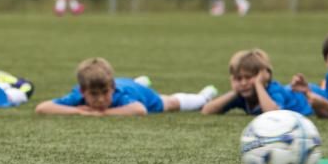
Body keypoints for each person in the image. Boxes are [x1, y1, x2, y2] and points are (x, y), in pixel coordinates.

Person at [34, 57, 217, 116]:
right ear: (83, 91)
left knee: (169, 102)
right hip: (127, 83)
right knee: (134, 85)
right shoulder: (77, 96)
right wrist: (80, 112)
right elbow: (41, 108)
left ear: (111, 88)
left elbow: (140, 109)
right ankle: (139, 80)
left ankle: (203, 97)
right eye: (93, 94)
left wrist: (102, 113)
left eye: (105, 93)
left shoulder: (119, 96)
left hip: (138, 93)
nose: (99, 99)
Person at [201, 49, 314, 116]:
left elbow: (273, 115)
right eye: (238, 78)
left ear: (265, 75)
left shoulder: (273, 90)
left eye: (248, 77)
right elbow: (207, 110)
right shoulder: (242, 95)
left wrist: (259, 84)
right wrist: (235, 92)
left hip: (308, 98)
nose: (243, 83)